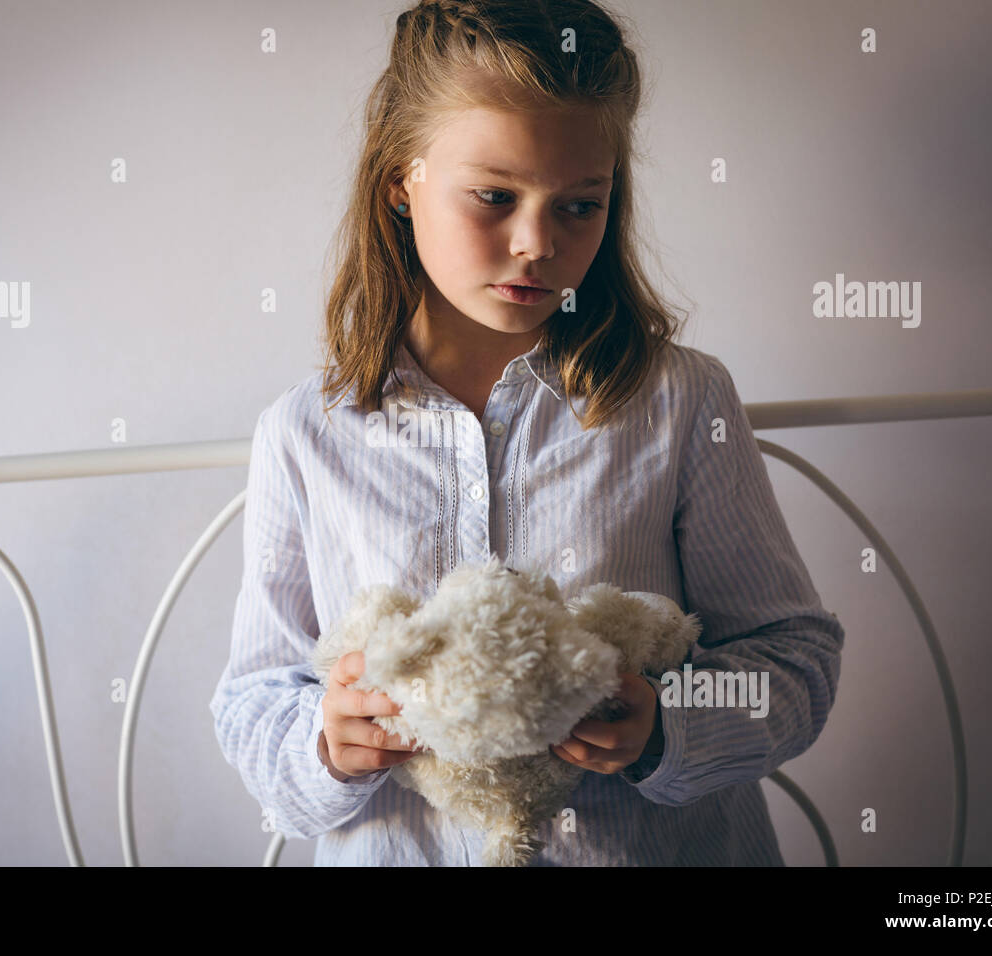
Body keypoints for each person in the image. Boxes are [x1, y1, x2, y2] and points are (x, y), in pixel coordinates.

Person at [209, 0, 844, 865]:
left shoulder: (678, 401)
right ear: (402, 176)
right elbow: (254, 700)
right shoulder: (307, 433)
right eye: (494, 197)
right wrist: (324, 741)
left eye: (580, 206)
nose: (536, 243)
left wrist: (666, 729)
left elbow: (793, 658)